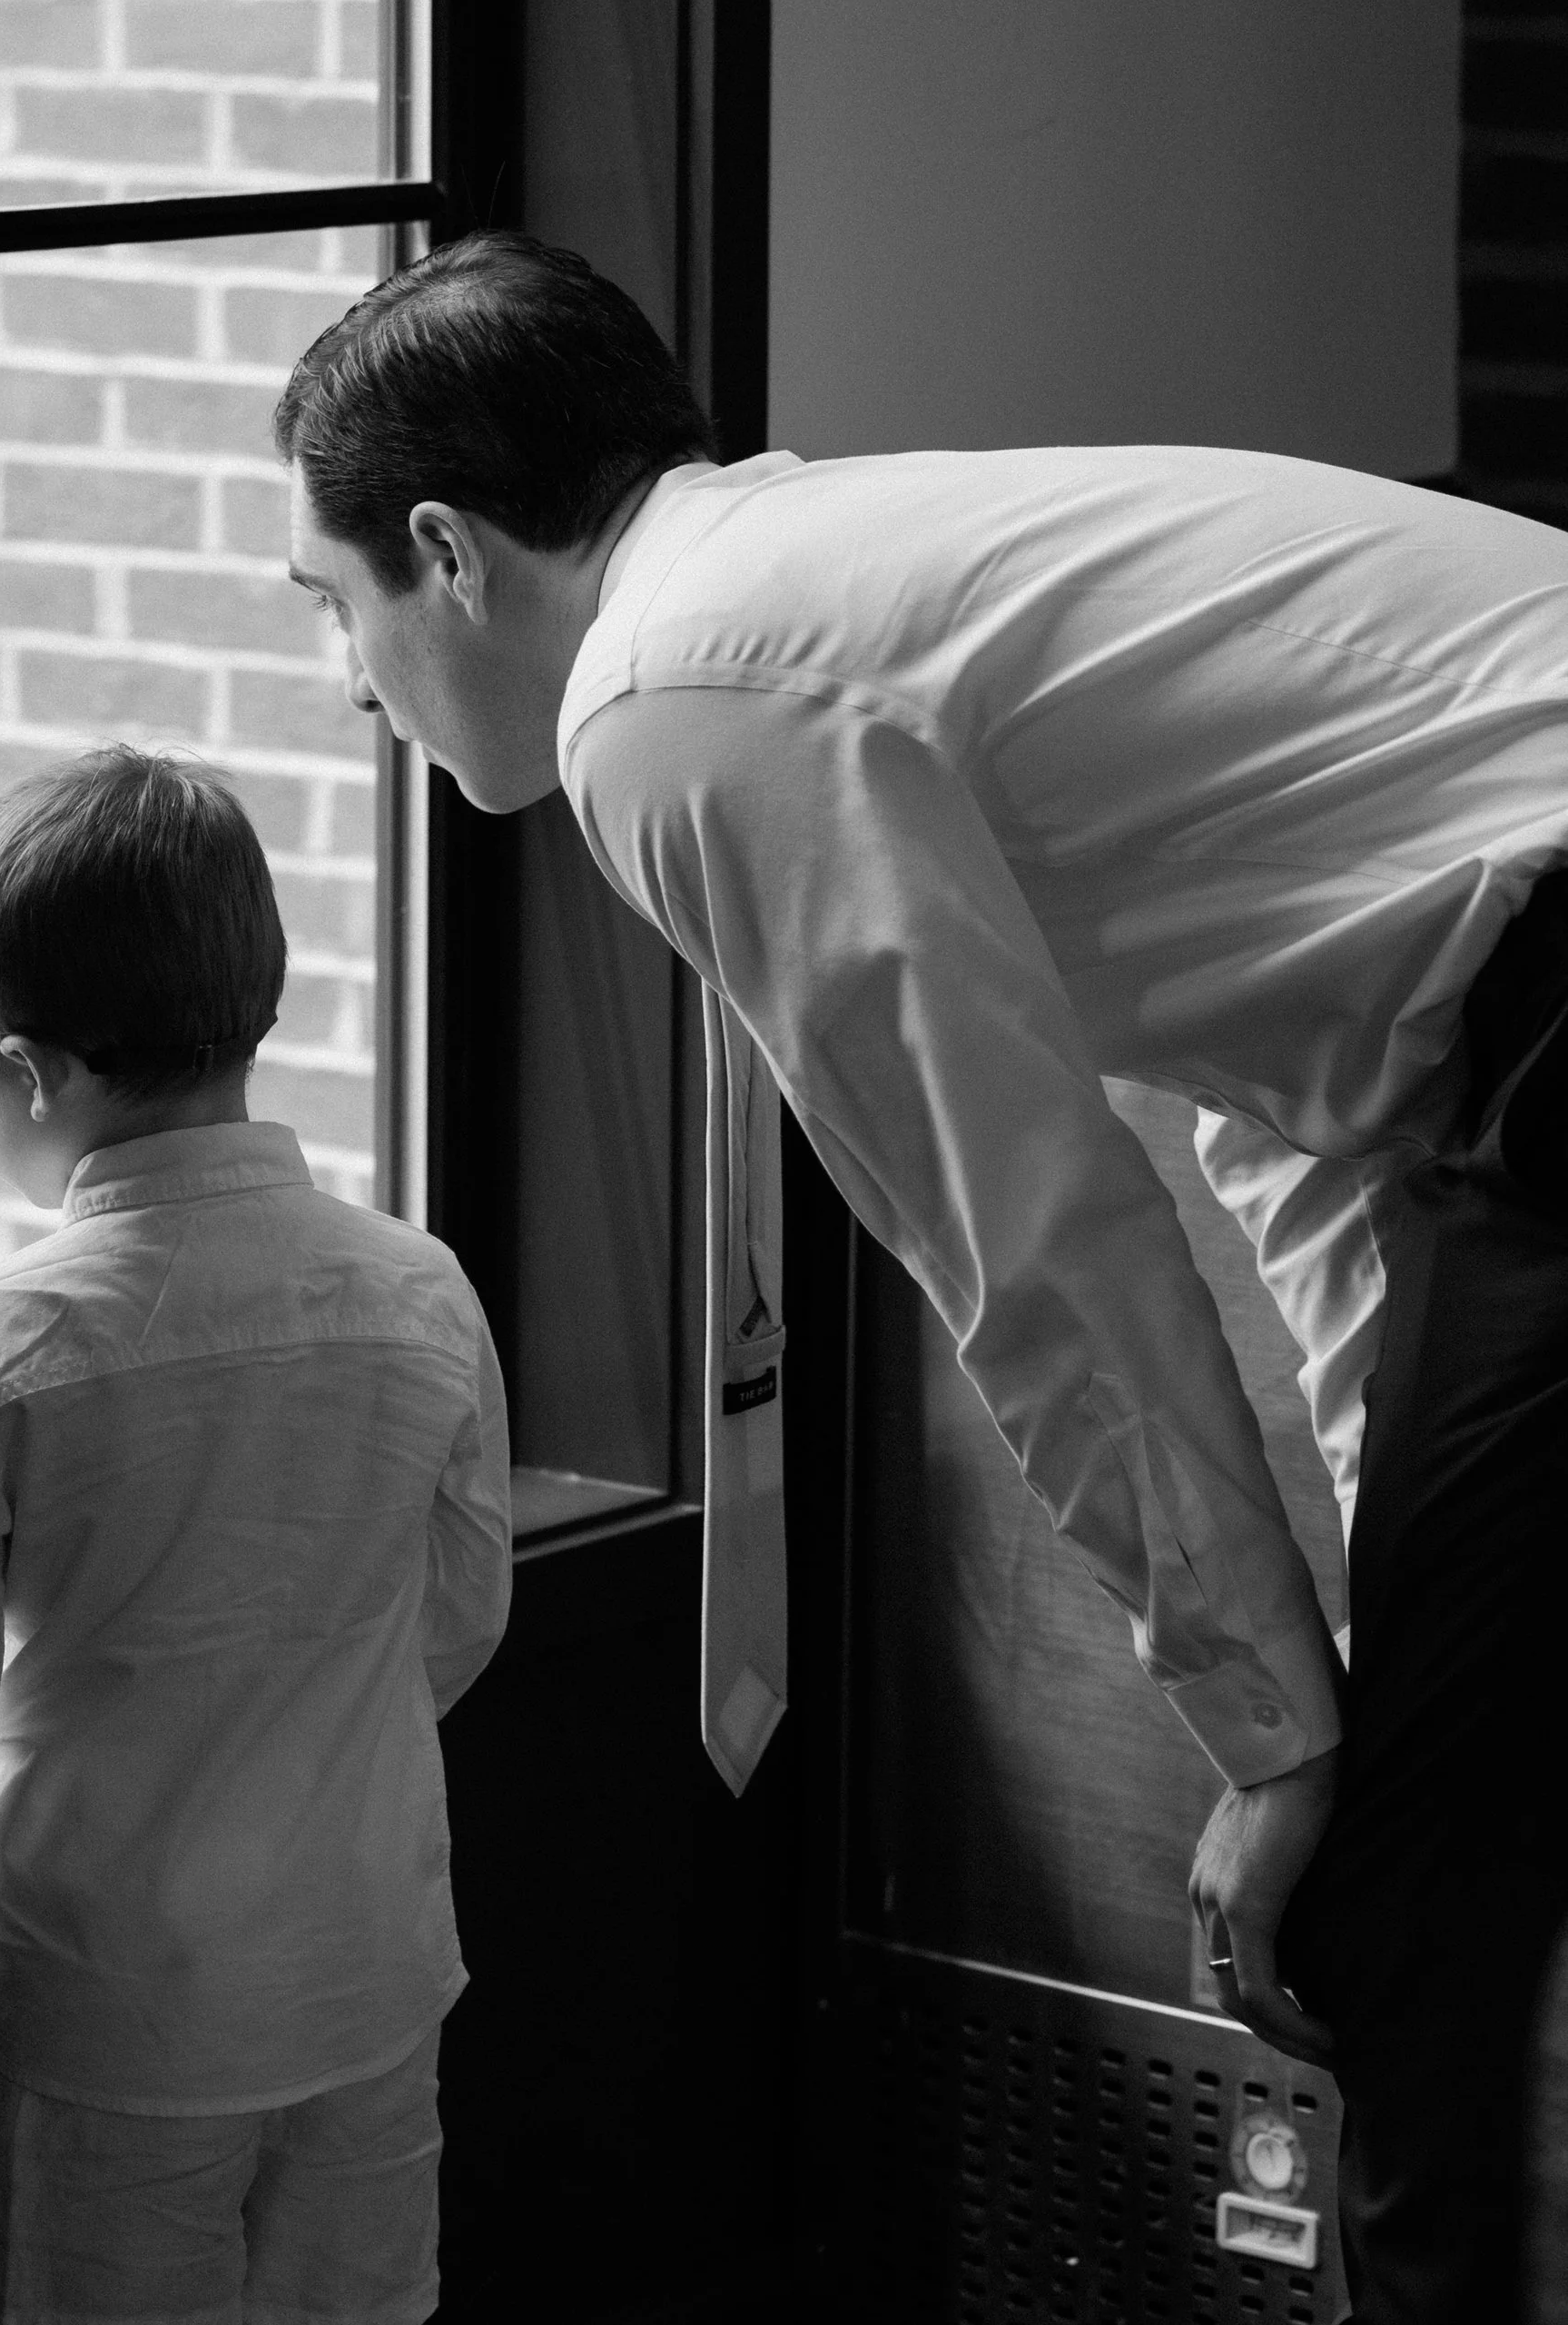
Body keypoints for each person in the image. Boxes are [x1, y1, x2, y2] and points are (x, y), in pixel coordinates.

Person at [274, 230, 1568, 2325]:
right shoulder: (822, 566)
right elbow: (1313, 1120)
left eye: (332, 609)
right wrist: (1334, 1648)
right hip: (1513, 1056)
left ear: (443, 551)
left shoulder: (669, 700)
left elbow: (1027, 1247)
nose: (349, 685)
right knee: (1410, 1841)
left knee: (1396, 1903)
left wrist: (1277, 1740)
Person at [0, 748, 512, 2325]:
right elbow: (458, 1614)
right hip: (368, 1967)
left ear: (28, 1070)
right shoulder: (416, 1287)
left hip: (117, 2013)